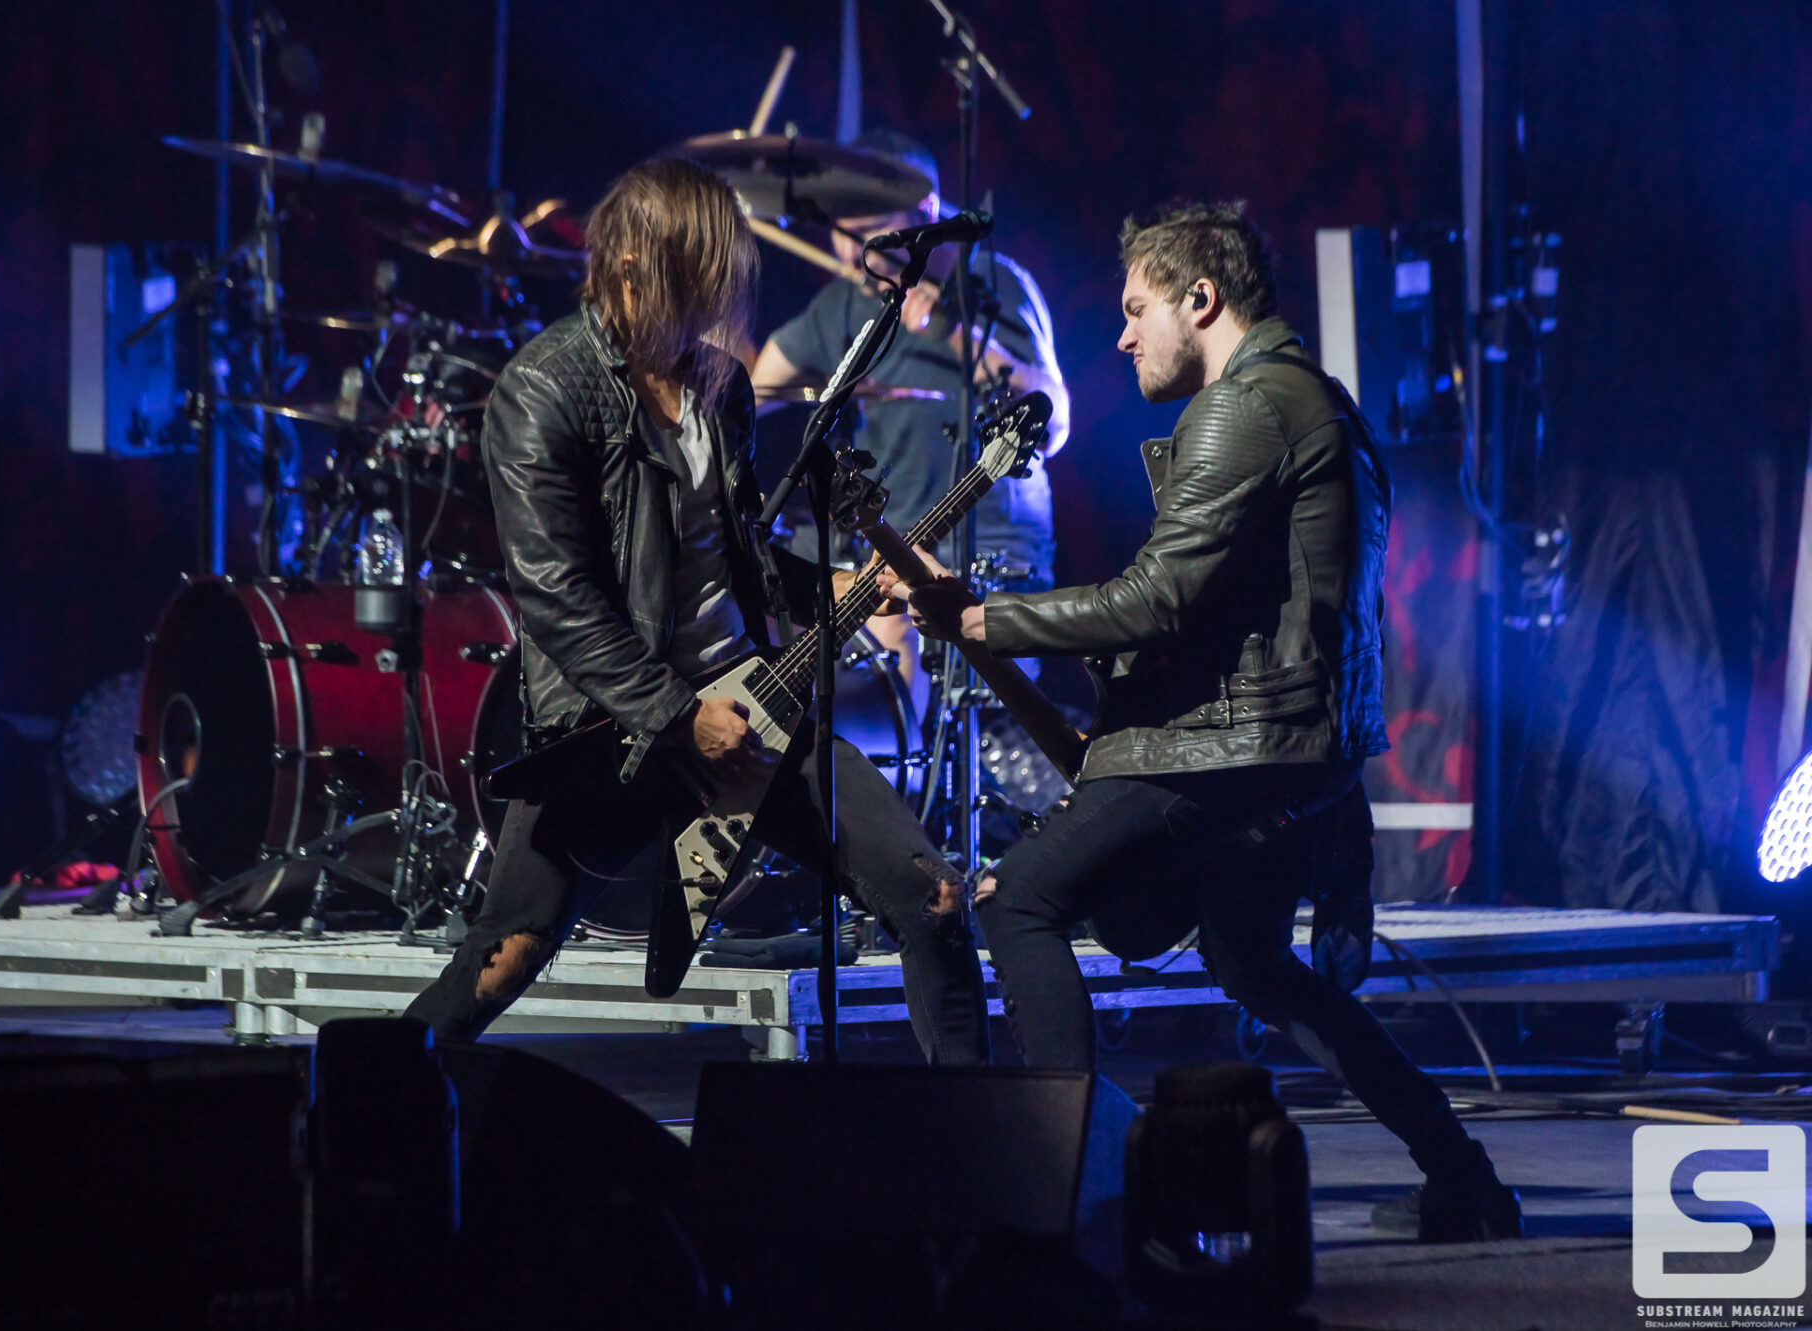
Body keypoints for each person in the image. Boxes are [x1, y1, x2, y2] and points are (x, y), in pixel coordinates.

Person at [882, 202, 1523, 1240]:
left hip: (1236, 747)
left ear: (1201, 299)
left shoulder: (1244, 407)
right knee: (1257, 966)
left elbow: (1157, 600)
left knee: (1018, 897)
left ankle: (1075, 1200)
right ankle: (1469, 1180)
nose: (1122, 336)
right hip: (1294, 745)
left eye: (1137, 309)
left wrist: (984, 618)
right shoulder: (1320, 400)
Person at [405, 158, 989, 1064]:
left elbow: (745, 554)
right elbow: (557, 599)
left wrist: (853, 583)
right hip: (614, 725)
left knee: (936, 897)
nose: (719, 295)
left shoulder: (719, 385)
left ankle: (986, 1134)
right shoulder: (545, 388)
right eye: (701, 272)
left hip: (748, 708)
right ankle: (363, 1105)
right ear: (632, 266)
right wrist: (681, 716)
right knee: (504, 956)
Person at [748, 129, 1070, 707]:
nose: (846, 250)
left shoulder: (994, 284)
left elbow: (1056, 421)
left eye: (866, 226)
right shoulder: (846, 300)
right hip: (890, 550)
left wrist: (953, 333)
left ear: (924, 210)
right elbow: (751, 392)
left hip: (989, 555)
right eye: (839, 229)